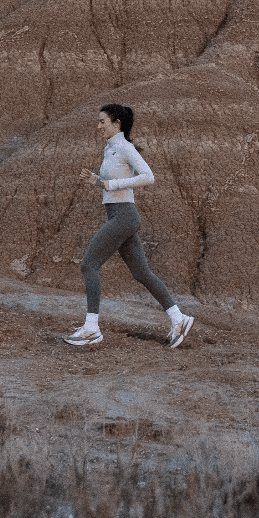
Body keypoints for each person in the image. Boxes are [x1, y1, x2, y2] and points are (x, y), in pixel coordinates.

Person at [67, 103, 195, 349]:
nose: (98, 126)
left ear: (117, 124)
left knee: (89, 264)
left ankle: (91, 328)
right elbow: (109, 183)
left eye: (102, 121)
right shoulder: (110, 149)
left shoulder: (124, 147)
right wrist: (95, 180)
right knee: (142, 273)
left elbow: (148, 176)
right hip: (119, 215)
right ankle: (179, 319)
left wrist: (111, 185)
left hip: (124, 217)